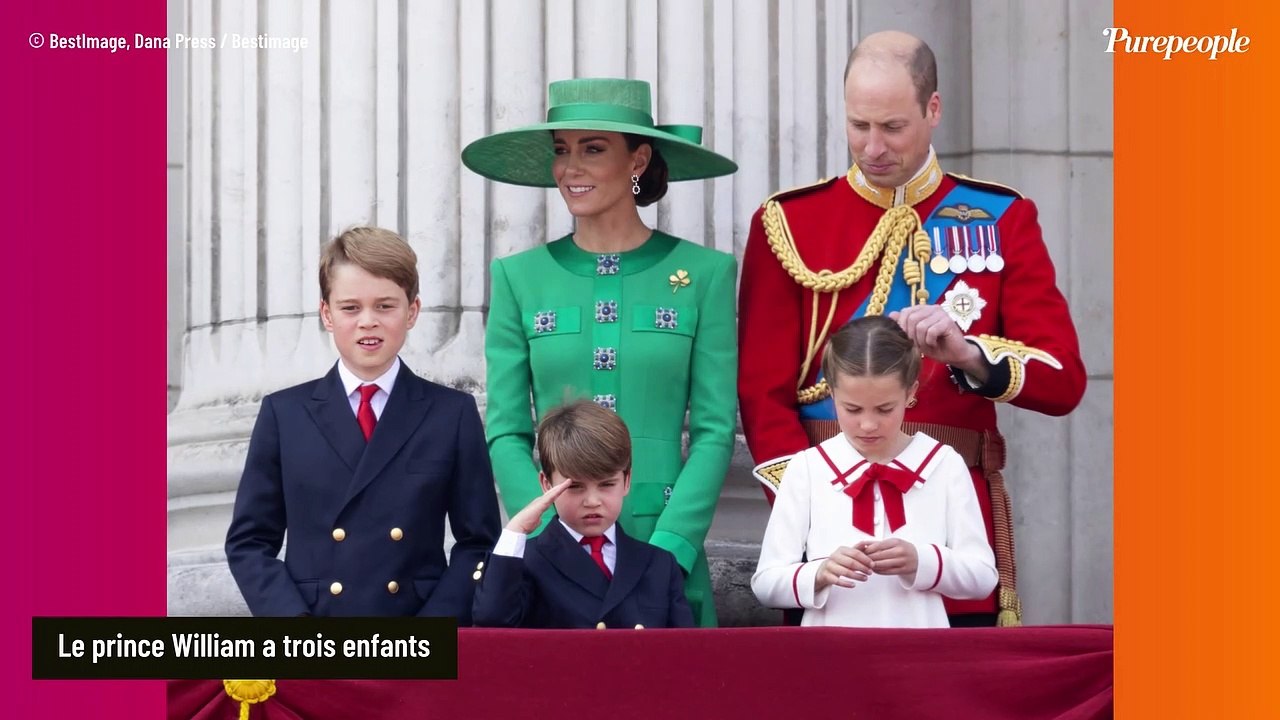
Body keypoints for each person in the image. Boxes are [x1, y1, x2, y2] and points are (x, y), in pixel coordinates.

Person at [737, 31, 1085, 626]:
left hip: (953, 520)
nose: (872, 147)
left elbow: (1064, 381)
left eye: (893, 127)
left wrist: (970, 356)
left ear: (933, 109)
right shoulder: (788, 222)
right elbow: (760, 392)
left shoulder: (1002, 216)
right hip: (828, 526)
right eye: (858, 125)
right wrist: (810, 507)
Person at [462, 78, 738, 626]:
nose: (570, 168)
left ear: (638, 159)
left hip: (664, 547)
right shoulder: (518, 277)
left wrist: (671, 548)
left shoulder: (706, 274)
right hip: (551, 566)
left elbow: (714, 430)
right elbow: (507, 430)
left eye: (592, 149)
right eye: (561, 150)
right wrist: (550, 536)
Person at [225, 227, 502, 619]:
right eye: (350, 308)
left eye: (385, 306)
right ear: (327, 314)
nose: (368, 321)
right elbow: (250, 542)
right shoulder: (284, 414)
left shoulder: (451, 413)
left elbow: (479, 543)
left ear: (412, 311)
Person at [752, 317, 997, 627]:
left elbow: (983, 577)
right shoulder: (808, 468)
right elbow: (765, 584)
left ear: (911, 392)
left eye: (884, 409)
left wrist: (922, 561)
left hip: (920, 647)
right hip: (831, 648)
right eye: (852, 409)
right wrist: (819, 572)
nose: (868, 424)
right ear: (832, 393)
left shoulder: (944, 464)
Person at [473, 400, 694, 629]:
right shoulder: (525, 562)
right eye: (575, 487)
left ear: (627, 480)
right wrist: (515, 531)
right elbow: (491, 622)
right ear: (547, 484)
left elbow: (685, 646)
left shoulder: (658, 565)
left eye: (607, 484)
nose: (592, 501)